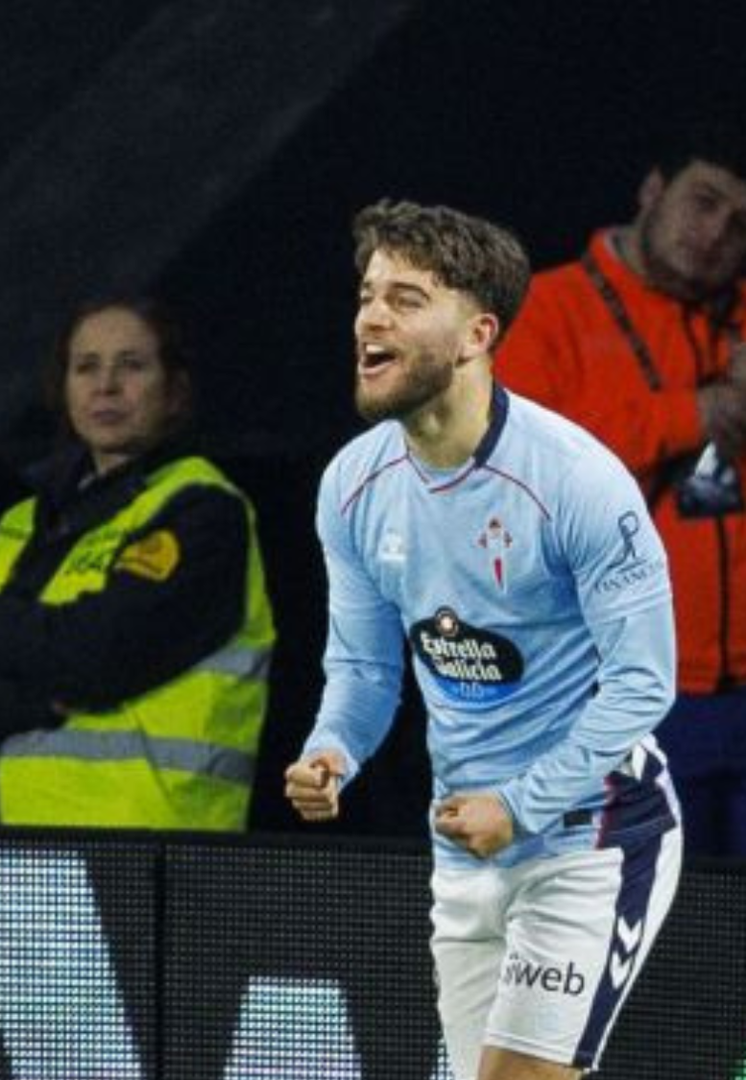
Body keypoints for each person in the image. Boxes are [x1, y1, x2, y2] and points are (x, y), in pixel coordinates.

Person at [287, 200, 681, 1080]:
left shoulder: (576, 482)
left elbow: (643, 683)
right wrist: (332, 750)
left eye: (406, 299)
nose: (371, 319)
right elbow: (364, 668)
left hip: (591, 835)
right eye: (367, 295)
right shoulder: (352, 485)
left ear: (477, 335)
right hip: (464, 850)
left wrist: (522, 804)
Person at [0, 297, 275, 827]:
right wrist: (37, 704)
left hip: (129, 832)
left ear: (174, 389)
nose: (106, 386)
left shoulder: (203, 510)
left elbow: (98, 653)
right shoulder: (22, 520)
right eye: (86, 367)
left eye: (132, 365)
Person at [494, 121, 746, 859]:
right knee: (647, 916)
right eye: (704, 202)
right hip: (615, 692)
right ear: (652, 190)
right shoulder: (546, 309)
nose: (717, 234)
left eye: (741, 224)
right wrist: (688, 415)